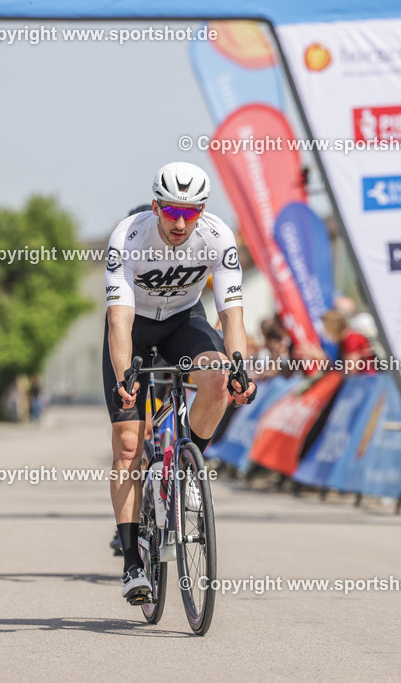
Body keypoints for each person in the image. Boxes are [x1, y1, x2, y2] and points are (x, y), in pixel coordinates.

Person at [105, 162, 257, 603]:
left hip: (183, 322)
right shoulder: (128, 237)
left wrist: (239, 365)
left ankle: (188, 469)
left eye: (189, 213)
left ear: (202, 212)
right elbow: (118, 317)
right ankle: (133, 562)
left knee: (217, 378)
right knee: (130, 446)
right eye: (170, 210)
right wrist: (123, 375)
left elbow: (231, 313)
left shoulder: (218, 236)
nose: (178, 222)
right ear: (155, 206)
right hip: (133, 329)